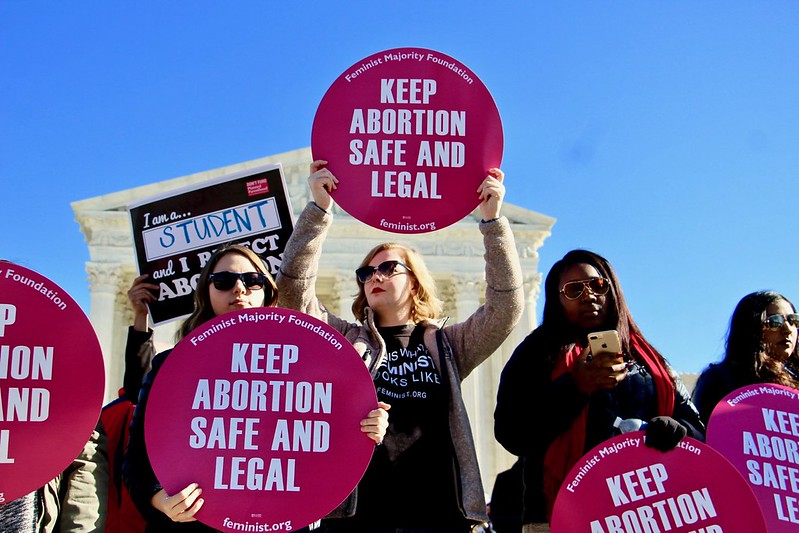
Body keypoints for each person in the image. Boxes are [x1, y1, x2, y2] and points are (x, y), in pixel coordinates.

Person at [276, 160, 524, 532]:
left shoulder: (447, 346)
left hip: (437, 512)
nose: (374, 275)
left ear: (417, 283)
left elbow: (505, 308)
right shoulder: (344, 339)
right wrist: (319, 210)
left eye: (389, 268)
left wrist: (491, 222)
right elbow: (294, 291)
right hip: (360, 512)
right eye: (366, 273)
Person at [122, 244, 390, 532]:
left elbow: (328, 434)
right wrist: (159, 499)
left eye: (252, 281)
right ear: (206, 292)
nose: (239, 289)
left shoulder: (306, 368)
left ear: (267, 291)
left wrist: (369, 425)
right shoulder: (171, 366)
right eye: (224, 282)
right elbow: (137, 459)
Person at [493, 249, 705, 531]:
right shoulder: (536, 353)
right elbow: (510, 432)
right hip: (562, 516)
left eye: (597, 285)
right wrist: (575, 388)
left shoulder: (650, 360)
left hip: (647, 513)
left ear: (613, 290)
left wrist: (676, 429)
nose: (588, 295)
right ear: (557, 301)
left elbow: (698, 430)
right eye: (573, 290)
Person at [692, 290, 799, 426]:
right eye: (775, 321)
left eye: (793, 320)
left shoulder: (796, 381)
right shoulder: (720, 379)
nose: (788, 329)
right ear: (751, 328)